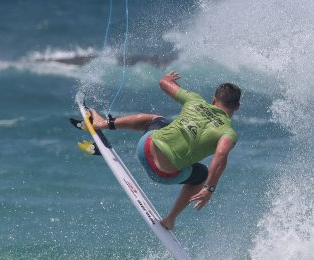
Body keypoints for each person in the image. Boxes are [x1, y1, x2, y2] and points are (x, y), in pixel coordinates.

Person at [86, 71, 240, 230]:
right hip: (165, 175)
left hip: (145, 149)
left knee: (157, 120)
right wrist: (209, 188)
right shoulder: (228, 132)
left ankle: (104, 124)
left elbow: (163, 83)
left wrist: (168, 78)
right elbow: (221, 155)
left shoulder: (195, 101)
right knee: (202, 174)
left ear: (214, 99)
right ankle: (170, 219)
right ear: (237, 107)